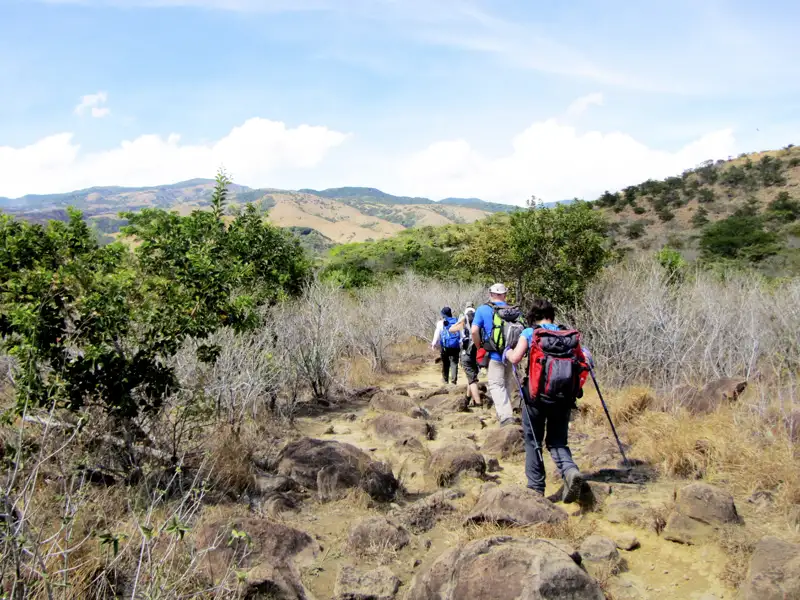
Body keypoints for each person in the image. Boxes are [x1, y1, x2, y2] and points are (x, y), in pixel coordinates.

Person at [504, 298, 586, 503]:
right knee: (558, 441)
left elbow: (515, 358)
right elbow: (583, 361)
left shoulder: (530, 333)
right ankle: (570, 471)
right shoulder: (567, 335)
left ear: (533, 316)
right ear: (552, 315)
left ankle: (535, 488)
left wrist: (507, 352)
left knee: (533, 441)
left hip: (536, 397)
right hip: (564, 397)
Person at [471, 284, 517, 426]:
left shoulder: (483, 309)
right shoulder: (512, 310)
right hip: (511, 354)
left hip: (494, 354)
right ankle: (504, 412)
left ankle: (506, 417)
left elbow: (474, 331)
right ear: (505, 294)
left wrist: (479, 346)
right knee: (506, 383)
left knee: (496, 385)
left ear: (490, 294)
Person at [447, 302, 482, 406]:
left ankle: (478, 403)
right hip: (477, 351)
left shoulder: (464, 319)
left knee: (472, 379)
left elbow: (451, 329)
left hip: (466, 351)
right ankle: (468, 398)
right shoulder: (478, 318)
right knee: (472, 375)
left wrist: (459, 323)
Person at [430, 306, 460, 385]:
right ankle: (453, 381)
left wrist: (433, 344)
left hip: (445, 347)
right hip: (455, 346)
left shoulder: (440, 323)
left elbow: (437, 334)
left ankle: (445, 381)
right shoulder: (457, 321)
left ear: (443, 314)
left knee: (446, 363)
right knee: (454, 364)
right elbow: (461, 333)